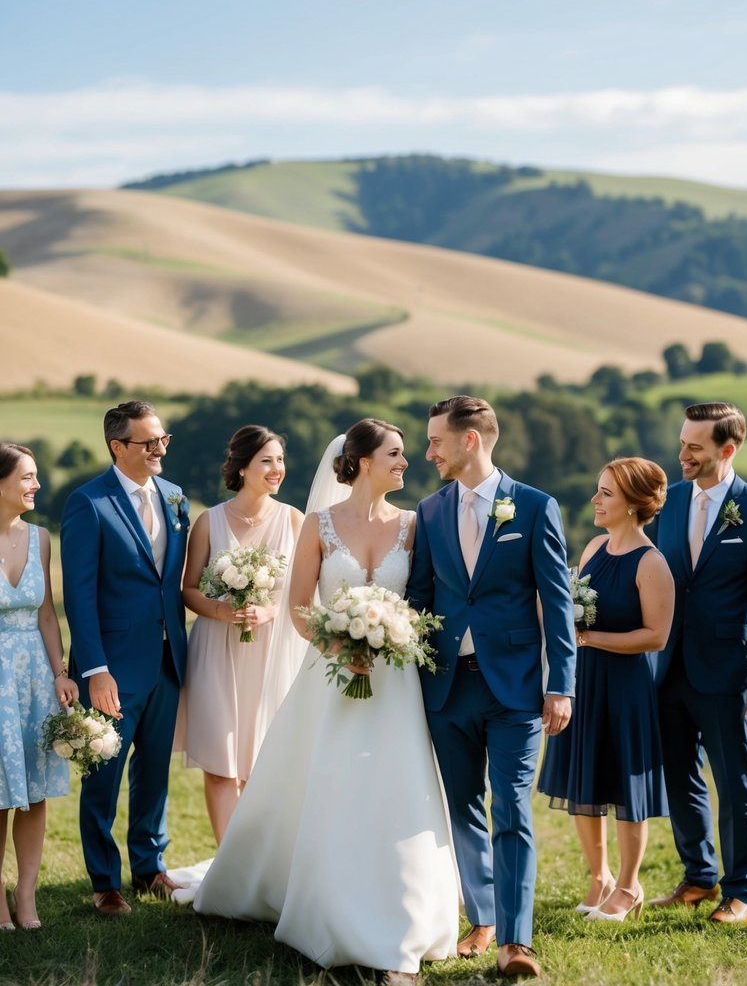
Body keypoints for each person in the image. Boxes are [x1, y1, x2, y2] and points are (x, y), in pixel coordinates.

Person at [193, 419, 458, 984]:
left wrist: (392, 634)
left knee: (395, 789)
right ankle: (324, 907)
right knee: (331, 785)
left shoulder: (415, 525)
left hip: (395, 682)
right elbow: (297, 608)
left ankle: (402, 920)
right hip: (330, 677)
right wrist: (340, 642)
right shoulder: (318, 524)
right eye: (395, 453)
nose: (405, 463)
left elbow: (423, 601)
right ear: (362, 461)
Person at [406, 395, 576, 979]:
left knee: (513, 809)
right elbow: (421, 599)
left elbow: (557, 604)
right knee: (461, 806)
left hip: (518, 691)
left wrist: (563, 685)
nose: (427, 452)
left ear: (470, 440)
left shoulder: (533, 507)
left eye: (436, 441)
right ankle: (482, 915)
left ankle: (516, 942)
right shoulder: (428, 512)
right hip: (447, 689)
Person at [650, 402, 747, 924]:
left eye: (694, 448)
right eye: (682, 442)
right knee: (679, 773)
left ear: (727, 451)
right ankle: (699, 876)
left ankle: (741, 890)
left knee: (734, 780)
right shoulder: (671, 499)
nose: (681, 455)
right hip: (668, 665)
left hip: (730, 668)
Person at [60, 400, 189, 916]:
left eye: (163, 439)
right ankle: (104, 881)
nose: (159, 449)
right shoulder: (87, 503)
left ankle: (149, 867)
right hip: (110, 666)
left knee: (154, 772)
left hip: (167, 660)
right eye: (148, 442)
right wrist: (94, 670)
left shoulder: (176, 497)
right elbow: (80, 595)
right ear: (118, 447)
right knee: (104, 775)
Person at [538, 458, 674, 921]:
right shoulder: (595, 547)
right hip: (584, 680)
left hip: (625, 687)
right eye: (598, 490)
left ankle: (631, 885)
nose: (595, 500)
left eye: (606, 494)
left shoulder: (652, 563)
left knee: (624, 786)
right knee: (585, 778)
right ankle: (600, 877)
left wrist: (592, 638)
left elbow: (656, 635)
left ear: (634, 505)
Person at [176, 426, 303, 844]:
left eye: (280, 460)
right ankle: (225, 865)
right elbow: (189, 589)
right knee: (221, 761)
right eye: (267, 460)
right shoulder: (209, 521)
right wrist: (223, 611)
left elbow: (304, 593)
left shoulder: (294, 520)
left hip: (271, 655)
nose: (276, 469)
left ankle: (252, 866)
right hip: (216, 650)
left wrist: (268, 609)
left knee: (261, 764)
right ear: (243, 466)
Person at [0, 443, 79, 931]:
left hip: (33, 678)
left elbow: (48, 613)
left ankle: (25, 896)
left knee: (33, 791)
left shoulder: (41, 538)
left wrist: (60, 673)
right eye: (27, 477)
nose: (36, 485)